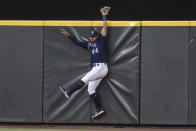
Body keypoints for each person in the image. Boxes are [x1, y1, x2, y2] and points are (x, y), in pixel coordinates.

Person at [59, 9, 109, 119]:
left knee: (85, 79)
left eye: (93, 36)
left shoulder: (100, 40)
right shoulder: (88, 44)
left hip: (101, 67)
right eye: (90, 36)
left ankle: (69, 92)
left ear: (96, 36)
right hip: (98, 68)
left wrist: (104, 15)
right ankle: (99, 109)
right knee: (90, 89)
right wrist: (68, 35)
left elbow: (104, 27)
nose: (91, 38)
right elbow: (77, 42)